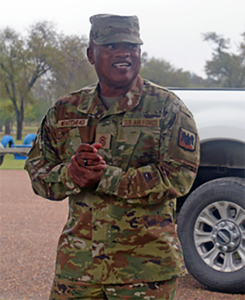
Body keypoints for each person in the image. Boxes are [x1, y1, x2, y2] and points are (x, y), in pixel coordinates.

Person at [25, 14, 200, 300]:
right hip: (78, 269)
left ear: (140, 53)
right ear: (91, 54)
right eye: (111, 46)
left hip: (145, 270)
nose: (123, 53)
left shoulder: (168, 109)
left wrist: (107, 178)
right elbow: (37, 170)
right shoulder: (66, 110)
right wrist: (70, 175)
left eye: (131, 46)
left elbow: (180, 177)